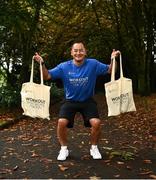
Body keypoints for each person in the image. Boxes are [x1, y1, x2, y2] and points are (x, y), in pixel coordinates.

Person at [33, 41, 120, 161]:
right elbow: (47, 76)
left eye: (81, 50)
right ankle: (64, 149)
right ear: (71, 53)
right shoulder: (64, 67)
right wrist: (41, 63)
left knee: (96, 123)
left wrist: (113, 59)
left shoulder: (93, 64)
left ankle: (94, 148)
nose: (78, 53)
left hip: (87, 100)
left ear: (85, 52)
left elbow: (110, 71)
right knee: (61, 122)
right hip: (70, 101)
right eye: (75, 50)